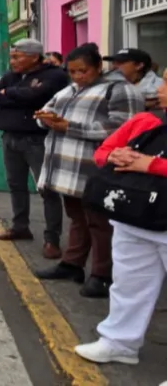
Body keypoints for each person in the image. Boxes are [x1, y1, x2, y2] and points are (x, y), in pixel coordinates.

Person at [33, 43, 144, 298]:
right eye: (72, 72)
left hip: (96, 168)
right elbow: (49, 110)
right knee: (77, 217)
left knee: (100, 222)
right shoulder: (72, 89)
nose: (77, 77)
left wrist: (69, 126)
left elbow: (123, 130)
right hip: (67, 169)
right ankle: (73, 264)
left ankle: (103, 274)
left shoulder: (120, 90)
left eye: (83, 71)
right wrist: (44, 118)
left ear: (98, 67)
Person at [74, 81, 167, 366]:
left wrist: (151, 165)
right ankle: (119, 342)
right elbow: (103, 151)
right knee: (128, 283)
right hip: (134, 215)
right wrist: (114, 155)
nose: (161, 89)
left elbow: (149, 164)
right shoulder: (146, 120)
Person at [0, 38, 71, 256]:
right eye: (12, 56)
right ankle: (20, 227)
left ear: (34, 56)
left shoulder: (54, 75)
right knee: (16, 185)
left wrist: (10, 94)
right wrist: (18, 95)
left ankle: (52, 239)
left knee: (47, 189)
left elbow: (38, 96)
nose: (12, 61)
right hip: (10, 137)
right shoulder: (12, 76)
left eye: (17, 56)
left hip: (37, 140)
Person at [104, 48, 164, 112]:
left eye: (120, 62)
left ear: (139, 65)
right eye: (113, 62)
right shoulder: (109, 83)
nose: (114, 66)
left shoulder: (161, 86)